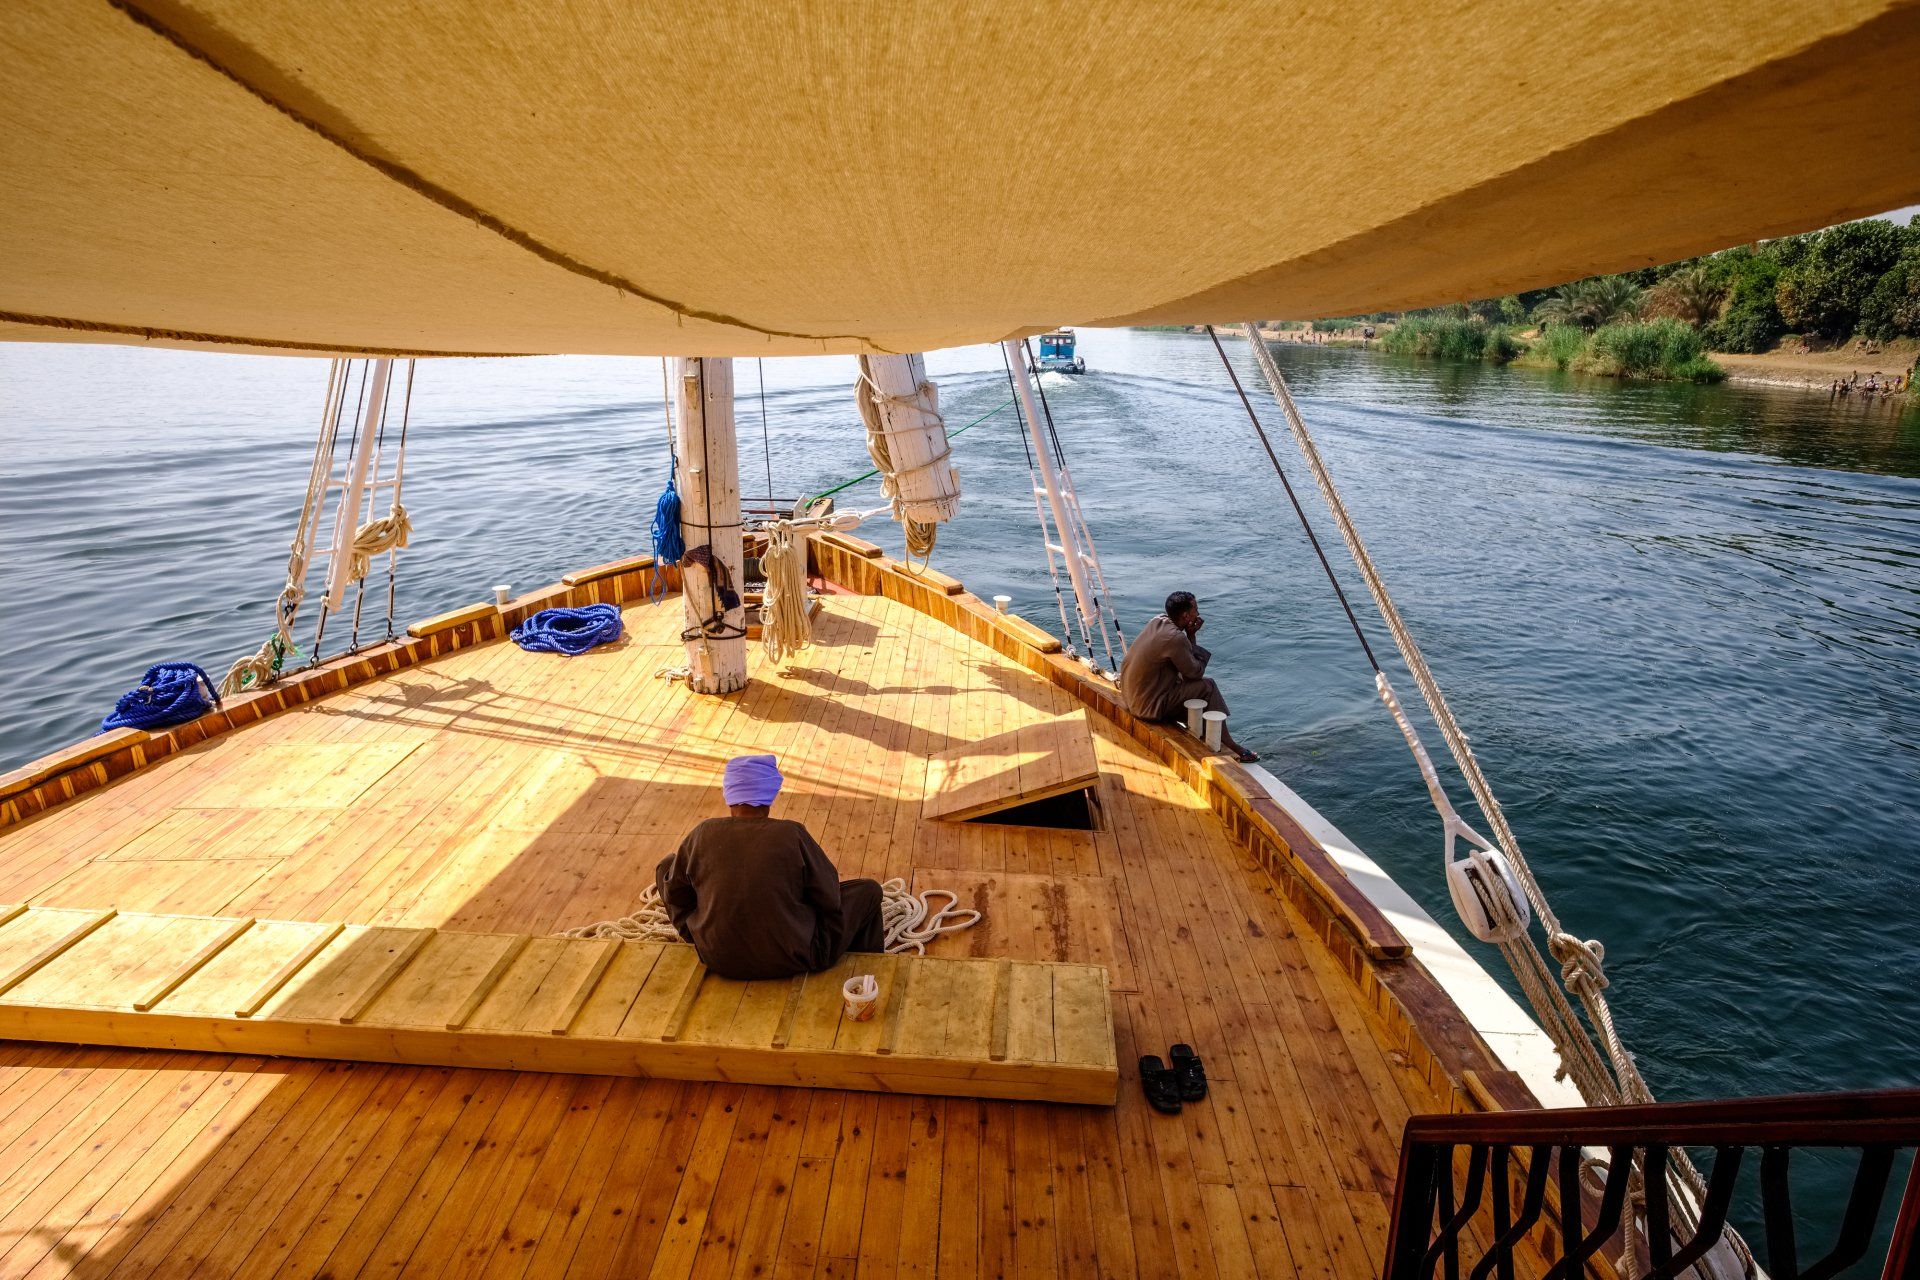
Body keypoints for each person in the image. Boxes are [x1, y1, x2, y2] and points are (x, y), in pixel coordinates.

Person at [654, 754, 886, 980]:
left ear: (729, 795)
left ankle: (702, 937)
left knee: (666, 867)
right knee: (869, 890)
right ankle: (868, 973)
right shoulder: (792, 834)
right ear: (770, 795)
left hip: (717, 956)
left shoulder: (702, 833)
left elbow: (676, 894)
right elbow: (830, 897)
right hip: (797, 957)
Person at [1118, 591, 1258, 763]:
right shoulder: (1176, 638)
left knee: (1184, 681)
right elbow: (1195, 674)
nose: (1198, 614)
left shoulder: (1157, 621)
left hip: (1131, 698)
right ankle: (1230, 743)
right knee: (1208, 686)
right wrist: (1192, 636)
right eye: (1195, 610)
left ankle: (1205, 731)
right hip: (1147, 707)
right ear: (1186, 616)